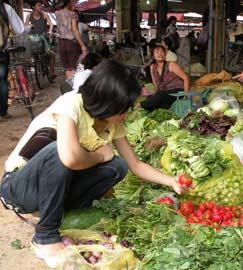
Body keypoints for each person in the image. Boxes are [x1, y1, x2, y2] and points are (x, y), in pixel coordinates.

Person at [0, 60, 186, 268]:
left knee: (117, 166)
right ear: (108, 103)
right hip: (19, 188)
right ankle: (45, 236)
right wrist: (98, 156)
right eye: (124, 109)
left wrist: (171, 182)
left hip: (50, 187)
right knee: (60, 152)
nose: (128, 113)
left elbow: (135, 165)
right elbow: (69, 158)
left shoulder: (111, 123)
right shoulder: (70, 104)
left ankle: (70, 213)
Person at [0, 0, 28, 120]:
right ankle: (2, 113)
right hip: (1, 51)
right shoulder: (5, 8)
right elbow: (20, 30)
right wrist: (28, 29)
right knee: (2, 81)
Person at [140, 45, 189, 111]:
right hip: (164, 93)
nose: (160, 54)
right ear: (153, 56)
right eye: (157, 52)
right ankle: (165, 107)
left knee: (159, 97)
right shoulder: (152, 67)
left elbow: (186, 78)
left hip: (177, 90)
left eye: (162, 52)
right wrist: (156, 94)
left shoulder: (171, 64)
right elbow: (155, 83)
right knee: (151, 98)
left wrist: (186, 96)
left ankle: (139, 105)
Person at [55, 0, 87, 79]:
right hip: (71, 44)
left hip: (61, 43)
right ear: (68, 3)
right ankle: (74, 87)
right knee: (73, 68)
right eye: (71, 2)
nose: (73, 4)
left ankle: (69, 84)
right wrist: (82, 45)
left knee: (67, 68)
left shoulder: (57, 13)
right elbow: (75, 30)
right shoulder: (73, 14)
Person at [25, 0, 56, 80]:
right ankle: (39, 68)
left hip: (44, 38)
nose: (41, 7)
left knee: (52, 54)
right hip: (34, 40)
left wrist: (50, 31)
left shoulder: (45, 15)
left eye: (41, 5)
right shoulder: (29, 16)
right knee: (33, 56)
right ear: (33, 7)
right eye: (38, 5)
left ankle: (51, 72)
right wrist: (29, 25)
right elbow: (25, 26)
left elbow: (51, 24)